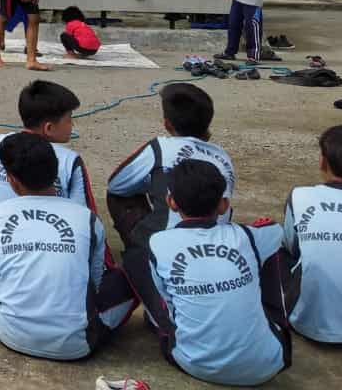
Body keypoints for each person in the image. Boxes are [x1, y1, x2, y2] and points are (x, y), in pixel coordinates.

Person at [123, 160, 291, 386]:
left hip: (194, 362)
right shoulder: (245, 236)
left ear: (171, 202)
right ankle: (275, 323)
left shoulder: (159, 243)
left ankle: (167, 327)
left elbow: (169, 305)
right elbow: (275, 231)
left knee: (140, 265)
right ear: (223, 205)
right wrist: (261, 225)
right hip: (266, 365)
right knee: (272, 253)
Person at [0, 133, 137, 360]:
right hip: (76, 346)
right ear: (55, 172)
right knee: (134, 272)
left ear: (12, 180)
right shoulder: (88, 219)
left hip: (10, 333)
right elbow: (94, 282)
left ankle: (13, 315)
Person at [0, 80, 97, 259]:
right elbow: (85, 218)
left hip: (1, 252)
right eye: (70, 119)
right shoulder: (70, 160)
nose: (72, 125)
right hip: (56, 251)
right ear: (49, 127)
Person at [108, 82, 237, 250]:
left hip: (166, 248)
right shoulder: (222, 155)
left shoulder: (160, 148)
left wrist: (156, 182)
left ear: (167, 124)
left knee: (120, 194)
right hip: (217, 245)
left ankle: (139, 253)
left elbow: (116, 185)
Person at [281, 124, 342, 344]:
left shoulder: (300, 196)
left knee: (276, 248)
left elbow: (290, 247)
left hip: (307, 324)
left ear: (323, 161)